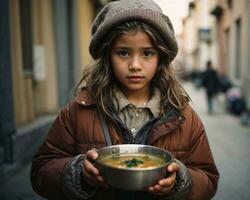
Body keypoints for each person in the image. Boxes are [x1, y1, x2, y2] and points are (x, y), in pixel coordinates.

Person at [30, 0, 219, 199]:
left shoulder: (183, 117)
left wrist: (179, 181)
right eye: (123, 53)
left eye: (147, 53)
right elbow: (42, 170)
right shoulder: (78, 111)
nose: (135, 65)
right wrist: (78, 174)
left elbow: (207, 178)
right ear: (107, 55)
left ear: (161, 57)